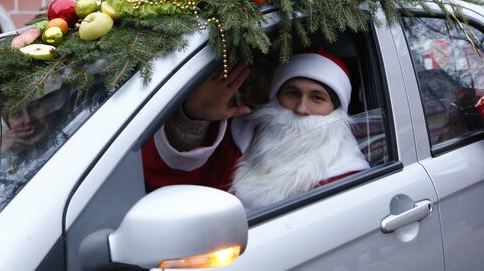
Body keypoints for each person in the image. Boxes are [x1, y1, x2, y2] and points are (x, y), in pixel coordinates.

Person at [142, 49, 370, 209]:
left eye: (317, 98)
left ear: (335, 107)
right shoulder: (239, 137)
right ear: (275, 95)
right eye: (292, 93)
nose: (302, 108)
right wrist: (193, 118)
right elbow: (179, 188)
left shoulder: (347, 176)